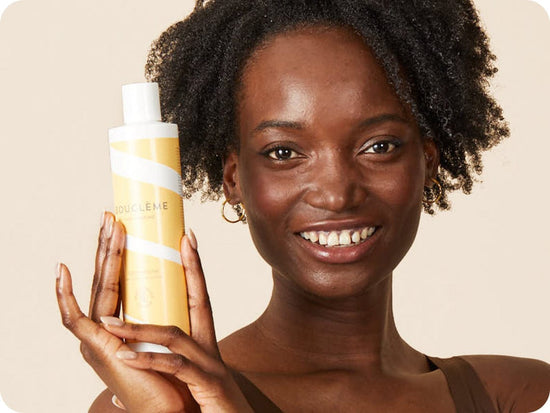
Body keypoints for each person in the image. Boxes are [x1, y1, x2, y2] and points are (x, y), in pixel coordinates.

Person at [56, 0, 550, 411]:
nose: (336, 194)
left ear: (428, 159)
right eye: (284, 153)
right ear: (234, 181)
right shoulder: (153, 403)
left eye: (378, 146)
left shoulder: (519, 394)